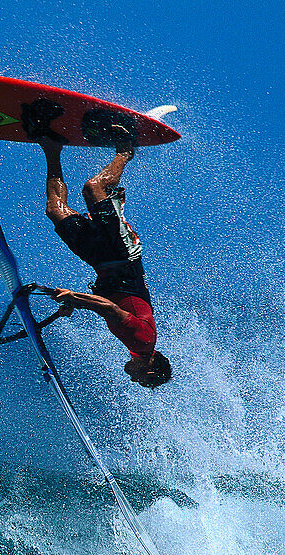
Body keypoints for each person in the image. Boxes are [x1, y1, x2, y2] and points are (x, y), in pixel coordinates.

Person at [37, 133, 172, 388]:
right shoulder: (142, 343)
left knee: (55, 210)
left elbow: (113, 305)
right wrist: (74, 298)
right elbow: (110, 309)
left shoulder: (139, 345)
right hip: (122, 256)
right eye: (140, 380)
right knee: (93, 189)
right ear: (151, 371)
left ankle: (52, 148)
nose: (133, 378)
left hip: (100, 261)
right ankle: (125, 151)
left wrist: (73, 303)